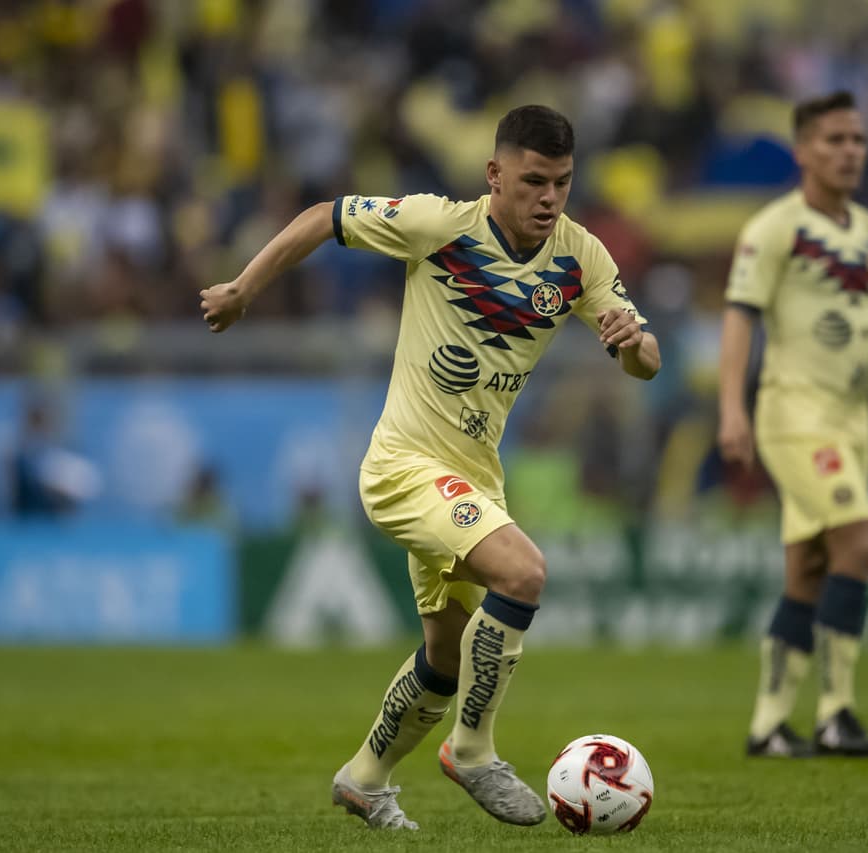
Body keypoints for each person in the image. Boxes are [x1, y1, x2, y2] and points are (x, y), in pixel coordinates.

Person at [200, 105, 660, 829]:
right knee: (524, 572)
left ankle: (364, 777)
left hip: (473, 477)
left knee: (445, 658)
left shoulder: (581, 258)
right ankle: (473, 751)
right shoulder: (439, 225)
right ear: (495, 174)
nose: (549, 198)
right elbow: (326, 214)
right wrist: (243, 289)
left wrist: (631, 341)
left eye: (562, 183)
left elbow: (646, 364)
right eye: (534, 181)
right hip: (403, 465)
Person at [718, 91, 868, 759]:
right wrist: (732, 408)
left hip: (853, 422)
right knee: (860, 541)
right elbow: (739, 315)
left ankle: (769, 724)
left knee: (808, 569)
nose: (850, 151)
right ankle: (836, 712)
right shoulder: (775, 229)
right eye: (833, 140)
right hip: (794, 415)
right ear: (802, 151)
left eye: (857, 139)